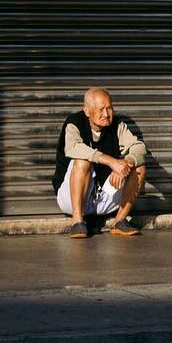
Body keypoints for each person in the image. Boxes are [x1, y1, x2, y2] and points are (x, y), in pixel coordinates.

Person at [52, 86, 147, 238]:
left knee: (139, 168)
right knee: (82, 161)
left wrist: (126, 163)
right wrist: (111, 162)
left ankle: (119, 221)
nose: (106, 114)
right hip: (72, 198)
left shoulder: (117, 125)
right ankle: (77, 222)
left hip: (103, 197)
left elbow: (139, 147)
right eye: (101, 109)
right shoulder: (74, 122)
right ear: (87, 111)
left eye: (109, 108)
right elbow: (73, 147)